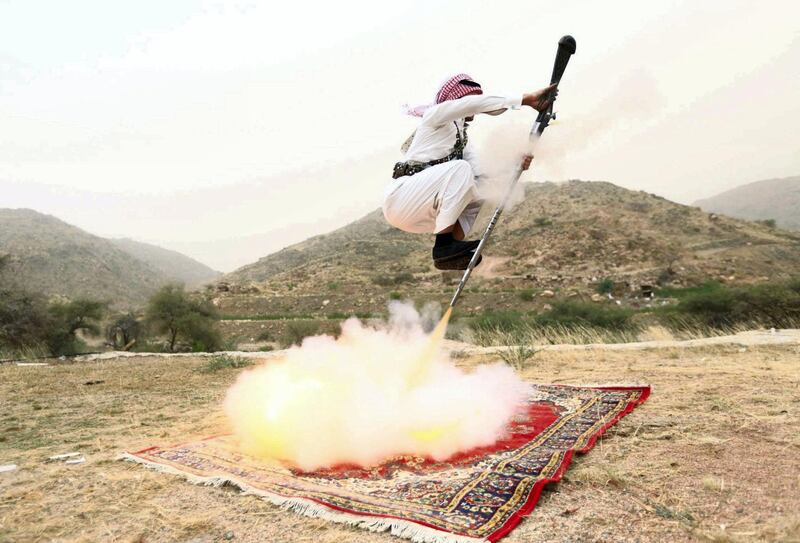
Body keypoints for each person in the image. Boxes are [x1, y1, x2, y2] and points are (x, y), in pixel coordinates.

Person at [382, 74, 557, 270]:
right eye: (467, 99)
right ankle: (444, 246)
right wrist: (524, 100)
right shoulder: (435, 117)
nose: (471, 105)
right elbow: (474, 104)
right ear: (455, 99)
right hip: (400, 199)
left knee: (480, 190)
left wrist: (515, 165)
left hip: (420, 213)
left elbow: (484, 174)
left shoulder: (462, 141)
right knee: (461, 169)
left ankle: (449, 252)